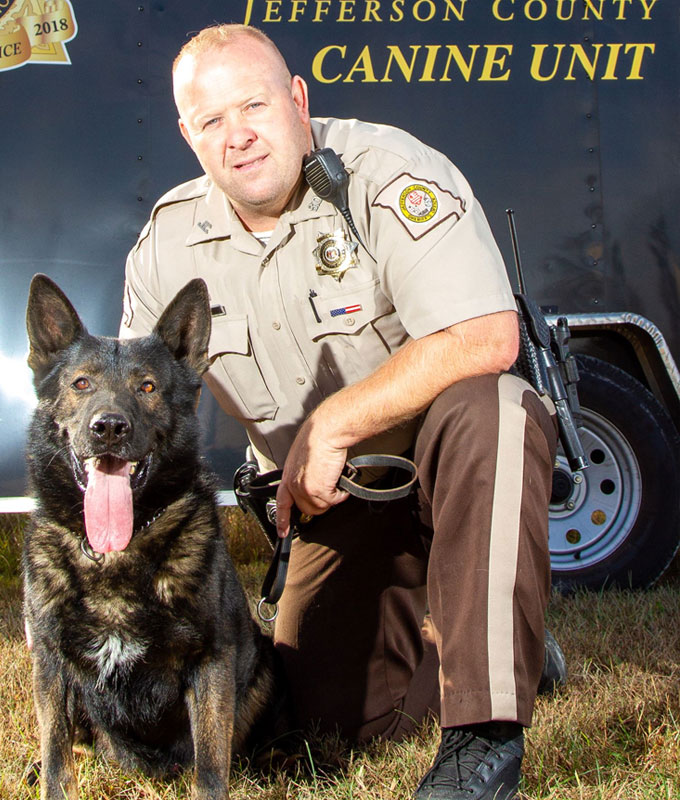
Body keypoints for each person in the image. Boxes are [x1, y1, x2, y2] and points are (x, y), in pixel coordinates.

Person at [120, 23, 559, 800]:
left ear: (297, 101)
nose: (239, 137)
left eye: (253, 105)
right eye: (212, 121)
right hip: (335, 505)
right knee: (325, 729)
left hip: (445, 471)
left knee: (496, 407)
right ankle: (500, 639)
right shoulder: (168, 245)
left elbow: (488, 336)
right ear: (188, 136)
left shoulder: (386, 173)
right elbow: (136, 408)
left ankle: (483, 737)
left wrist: (333, 423)